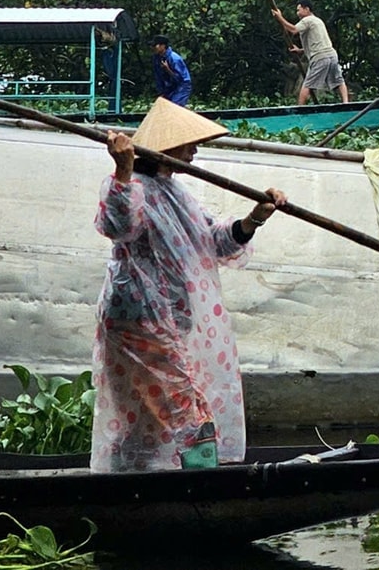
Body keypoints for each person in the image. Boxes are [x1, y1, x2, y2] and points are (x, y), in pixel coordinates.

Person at [92, 98, 287, 473]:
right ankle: (195, 483)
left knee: (151, 416)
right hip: (139, 320)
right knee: (184, 410)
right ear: (168, 147)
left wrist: (255, 218)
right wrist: (123, 169)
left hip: (169, 319)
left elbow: (214, 241)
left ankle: (142, 479)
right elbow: (119, 225)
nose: (195, 151)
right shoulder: (132, 186)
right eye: (189, 144)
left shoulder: (175, 192)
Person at [272, 0, 350, 105]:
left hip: (320, 57)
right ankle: (346, 102)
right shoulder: (318, 21)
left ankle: (300, 108)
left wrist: (280, 18)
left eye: (299, 10)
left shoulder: (307, 20)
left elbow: (293, 30)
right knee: (339, 80)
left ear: (307, 9)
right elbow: (318, 43)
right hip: (332, 55)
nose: (297, 13)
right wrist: (300, 50)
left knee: (307, 85)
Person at [151, 37, 192, 106]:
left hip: (182, 85)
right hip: (169, 86)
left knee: (174, 106)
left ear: (163, 46)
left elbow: (179, 79)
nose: (153, 48)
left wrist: (168, 69)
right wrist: (161, 92)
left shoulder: (174, 58)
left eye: (155, 45)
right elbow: (158, 77)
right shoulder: (157, 58)